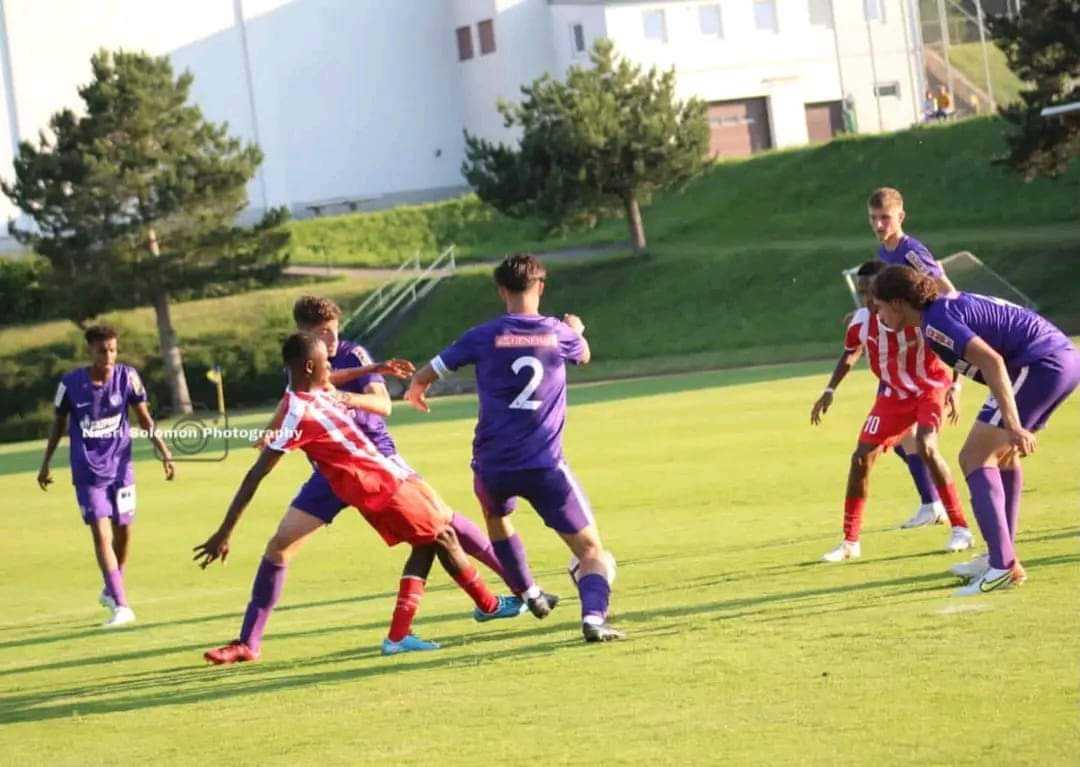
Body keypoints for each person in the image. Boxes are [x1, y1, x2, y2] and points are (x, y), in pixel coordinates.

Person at [195, 333, 521, 664]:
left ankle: (423, 627)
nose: (331, 369)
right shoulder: (297, 412)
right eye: (325, 363)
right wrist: (224, 532)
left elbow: (329, 379)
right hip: (379, 485)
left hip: (387, 476)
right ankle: (480, 609)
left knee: (430, 539)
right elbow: (256, 474)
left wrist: (375, 367)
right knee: (442, 534)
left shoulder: (314, 388)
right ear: (310, 366)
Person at [405, 254, 623, 643]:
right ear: (540, 287)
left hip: (492, 465)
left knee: (498, 521)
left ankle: (529, 593)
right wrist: (577, 329)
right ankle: (592, 618)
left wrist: (416, 389)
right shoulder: (558, 333)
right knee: (592, 551)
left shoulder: (484, 334)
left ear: (502, 290)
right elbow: (584, 355)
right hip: (545, 465)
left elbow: (433, 369)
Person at [260, 296, 517, 592]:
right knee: (280, 544)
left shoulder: (354, 353)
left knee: (443, 520)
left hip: (377, 459)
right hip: (332, 471)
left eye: (334, 329)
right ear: (305, 334)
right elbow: (291, 401)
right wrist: (270, 431)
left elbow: (383, 405)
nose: (332, 338)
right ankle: (249, 638)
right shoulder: (301, 365)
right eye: (323, 332)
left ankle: (519, 586)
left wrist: (345, 398)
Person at [871, 266, 1080, 595]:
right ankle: (1002, 557)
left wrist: (1012, 424)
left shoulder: (936, 320)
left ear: (898, 303)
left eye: (880, 306)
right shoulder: (939, 313)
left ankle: (1002, 568)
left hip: (1041, 364)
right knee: (1002, 458)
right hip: (1053, 361)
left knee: (973, 457)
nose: (878, 314)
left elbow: (992, 361)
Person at [812, 262, 972, 561]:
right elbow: (850, 354)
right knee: (861, 458)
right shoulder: (860, 322)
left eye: (871, 293)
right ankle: (850, 542)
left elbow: (957, 346)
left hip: (930, 388)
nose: (866, 300)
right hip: (892, 396)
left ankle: (960, 527)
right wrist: (830, 389)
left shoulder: (918, 316)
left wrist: (956, 386)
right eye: (862, 293)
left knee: (926, 445)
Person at [38, 324, 175, 627]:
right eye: (103, 350)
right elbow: (58, 425)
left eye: (113, 349)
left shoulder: (129, 377)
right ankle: (121, 605)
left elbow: (144, 418)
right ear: (90, 351)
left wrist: (163, 451)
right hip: (88, 472)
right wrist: (46, 462)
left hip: (121, 468)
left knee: (124, 530)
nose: (109, 356)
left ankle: (112, 588)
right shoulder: (70, 384)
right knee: (101, 533)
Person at [868, 187, 956, 296]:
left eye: (885, 217)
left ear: (900, 217)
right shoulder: (881, 254)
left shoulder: (911, 253)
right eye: (873, 218)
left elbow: (948, 292)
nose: (878, 225)